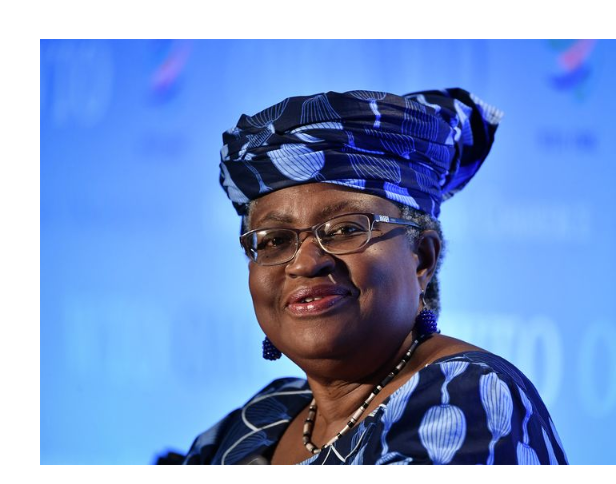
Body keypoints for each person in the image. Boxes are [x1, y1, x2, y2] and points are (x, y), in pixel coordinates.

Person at [183, 88, 568, 465]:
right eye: (275, 240)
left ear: (422, 258)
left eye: (346, 229)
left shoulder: (466, 396)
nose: (305, 263)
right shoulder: (265, 415)